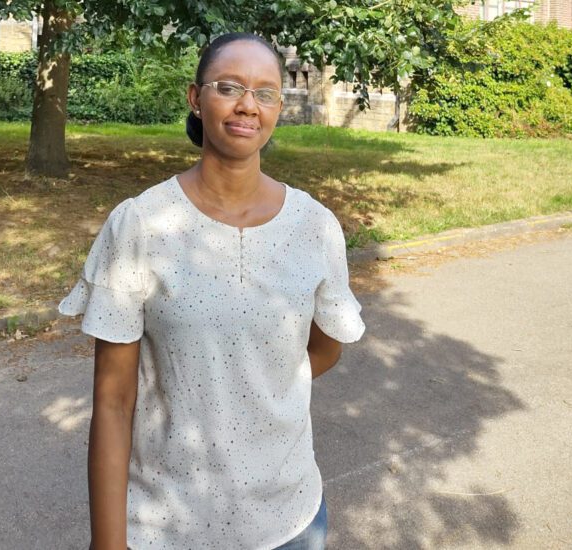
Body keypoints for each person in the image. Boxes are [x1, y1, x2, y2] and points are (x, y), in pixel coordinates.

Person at [60, 32, 365, 550]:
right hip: (167, 526)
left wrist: (253, 385)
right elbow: (113, 399)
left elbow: (325, 348)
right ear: (195, 98)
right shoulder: (140, 225)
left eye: (266, 92)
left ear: (278, 108)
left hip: (291, 521)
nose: (248, 105)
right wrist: (107, 544)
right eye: (229, 87)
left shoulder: (315, 227)